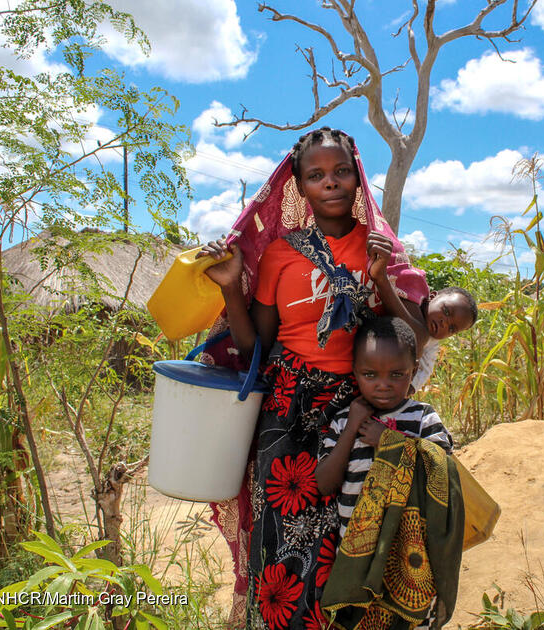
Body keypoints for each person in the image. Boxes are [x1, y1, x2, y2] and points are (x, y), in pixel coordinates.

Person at [197, 127, 429, 630]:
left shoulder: (380, 251)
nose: (331, 183)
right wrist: (232, 286)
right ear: (298, 188)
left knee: (349, 535)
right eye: (316, 175)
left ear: (357, 176)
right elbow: (254, 346)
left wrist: (381, 277)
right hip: (284, 414)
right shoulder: (280, 254)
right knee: (279, 538)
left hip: (355, 409)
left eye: (341, 171)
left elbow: (415, 338)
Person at [315, 316, 464, 629]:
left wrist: (389, 441)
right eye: (370, 374)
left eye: (396, 374)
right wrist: (353, 423)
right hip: (356, 552)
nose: (383, 384)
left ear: (413, 371)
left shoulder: (423, 418)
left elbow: (444, 472)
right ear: (354, 372)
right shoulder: (343, 422)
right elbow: (325, 483)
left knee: (409, 618)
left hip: (413, 554)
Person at [366, 231, 478, 392]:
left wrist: (409, 388)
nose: (444, 323)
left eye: (452, 328)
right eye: (446, 311)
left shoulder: (430, 342)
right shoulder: (412, 290)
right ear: (432, 296)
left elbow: (425, 369)